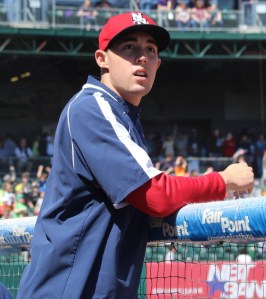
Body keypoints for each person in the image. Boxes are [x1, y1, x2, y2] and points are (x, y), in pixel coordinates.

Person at [17, 11, 254, 299]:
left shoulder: (123, 114)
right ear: (102, 58)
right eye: (129, 47)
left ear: (158, 63)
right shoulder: (92, 107)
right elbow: (155, 195)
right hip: (67, 290)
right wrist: (223, 180)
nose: (142, 57)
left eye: (150, 50)